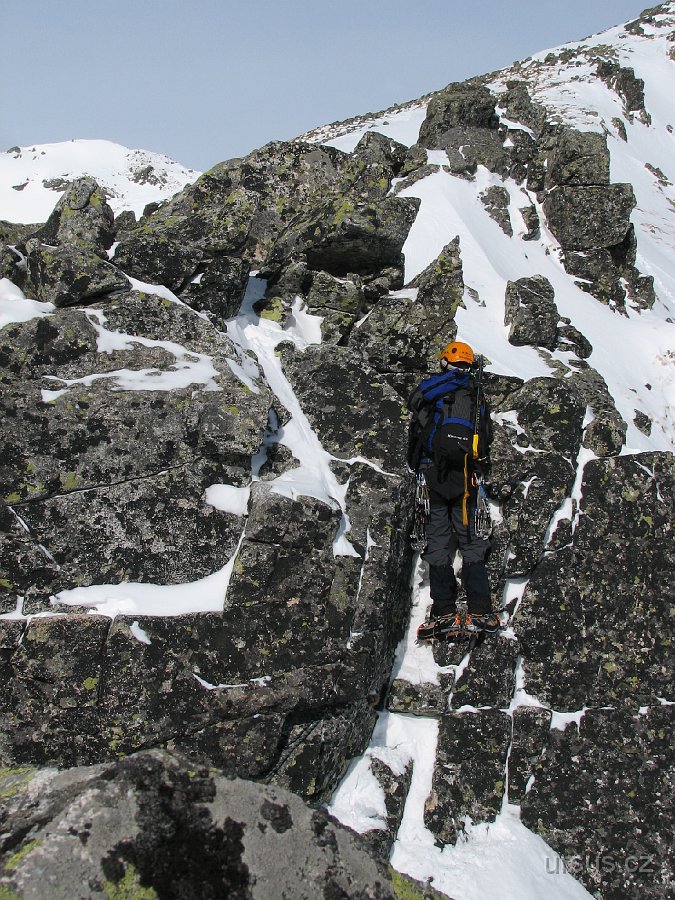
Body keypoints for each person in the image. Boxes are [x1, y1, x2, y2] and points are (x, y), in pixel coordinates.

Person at [407, 340, 499, 636]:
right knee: (471, 541)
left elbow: (415, 399)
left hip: (433, 473)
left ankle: (444, 612)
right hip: (466, 476)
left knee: (437, 541)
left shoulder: (439, 386)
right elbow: (485, 436)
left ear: (446, 360)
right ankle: (480, 611)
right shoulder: (475, 394)